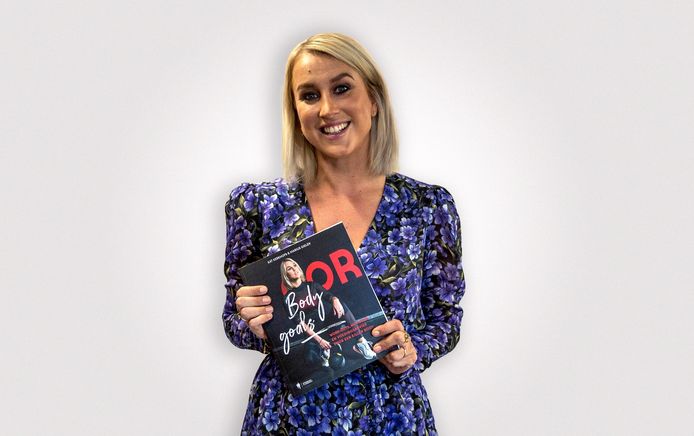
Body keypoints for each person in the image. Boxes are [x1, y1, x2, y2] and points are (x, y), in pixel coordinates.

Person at [223, 33, 465, 435]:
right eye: (309, 95)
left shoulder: (427, 207)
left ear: (374, 99)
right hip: (288, 418)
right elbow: (233, 320)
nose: (327, 109)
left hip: (391, 417)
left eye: (341, 88)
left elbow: (446, 318)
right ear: (295, 112)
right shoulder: (256, 207)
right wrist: (252, 322)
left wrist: (412, 350)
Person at [279, 257, 377, 367]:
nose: (294, 269)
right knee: (311, 360)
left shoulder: (313, 285)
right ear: (286, 275)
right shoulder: (287, 298)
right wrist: (320, 340)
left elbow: (328, 295)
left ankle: (362, 342)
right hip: (313, 333)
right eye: (289, 268)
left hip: (327, 324)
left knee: (341, 304)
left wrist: (335, 300)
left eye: (295, 265)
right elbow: (300, 324)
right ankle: (324, 355)